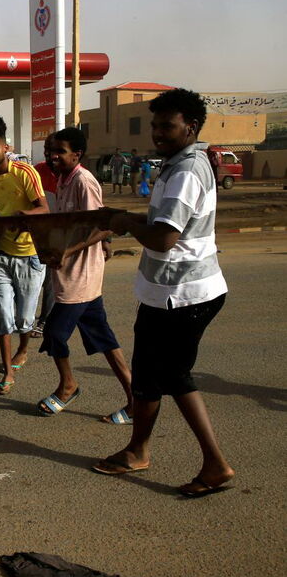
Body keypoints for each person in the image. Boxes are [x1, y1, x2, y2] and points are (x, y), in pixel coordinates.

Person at [94, 88, 233, 497]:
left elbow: (165, 238)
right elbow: (164, 224)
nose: (157, 132)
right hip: (165, 292)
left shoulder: (187, 170)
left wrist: (125, 222)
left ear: (190, 127)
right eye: (154, 125)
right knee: (148, 376)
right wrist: (131, 218)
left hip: (184, 294)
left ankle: (215, 463)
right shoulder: (176, 165)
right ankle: (138, 449)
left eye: (166, 126)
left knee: (172, 375)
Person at [35, 128, 134, 419]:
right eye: (51, 151)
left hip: (81, 275)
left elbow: (100, 226)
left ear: (76, 154)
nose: (53, 157)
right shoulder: (64, 181)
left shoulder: (83, 181)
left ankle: (68, 385)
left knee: (54, 333)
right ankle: (136, 398)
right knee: (105, 340)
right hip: (71, 273)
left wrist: (67, 251)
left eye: (59, 152)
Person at [0, 116, 49, 395]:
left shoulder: (25, 172)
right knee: (5, 317)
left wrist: (24, 215)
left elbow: (43, 209)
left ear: (6, 147)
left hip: (31, 256)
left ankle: (23, 348)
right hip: (3, 255)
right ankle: (7, 372)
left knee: (24, 320)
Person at [30, 135, 58, 339]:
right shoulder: (38, 170)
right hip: (40, 233)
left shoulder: (72, 174)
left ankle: (46, 319)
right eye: (47, 149)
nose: (50, 153)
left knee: (52, 279)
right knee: (38, 278)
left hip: (62, 234)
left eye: (54, 149)